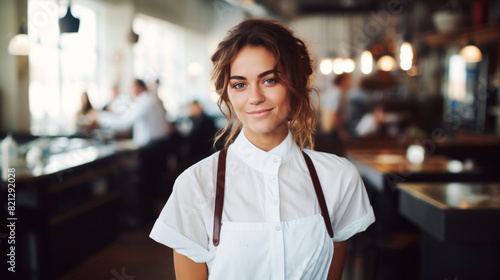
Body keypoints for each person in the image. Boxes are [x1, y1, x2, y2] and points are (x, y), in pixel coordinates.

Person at [150, 19, 375, 280]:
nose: (254, 97)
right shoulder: (196, 184)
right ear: (228, 94)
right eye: (240, 84)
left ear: (296, 84)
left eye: (269, 80)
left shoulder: (338, 177)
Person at [91, 79, 168, 145]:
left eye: (131, 89)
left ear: (140, 88)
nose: (129, 93)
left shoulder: (144, 101)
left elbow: (125, 121)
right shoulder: (148, 100)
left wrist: (100, 116)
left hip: (149, 147)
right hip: (155, 144)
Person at [320, 73, 352, 141]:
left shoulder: (332, 91)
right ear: (343, 80)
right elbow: (334, 113)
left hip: (329, 129)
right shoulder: (336, 92)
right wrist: (341, 131)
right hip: (333, 131)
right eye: (348, 79)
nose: (350, 81)